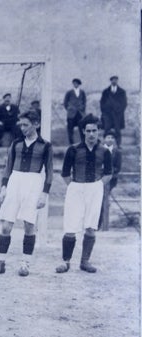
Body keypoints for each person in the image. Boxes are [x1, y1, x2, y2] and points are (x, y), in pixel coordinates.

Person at [0, 111, 53, 277]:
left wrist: (44, 194)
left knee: (29, 225)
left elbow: (50, 172)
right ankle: (0, 262)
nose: (22, 128)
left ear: (36, 124)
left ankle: (25, 263)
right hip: (15, 182)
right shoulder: (16, 144)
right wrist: (4, 188)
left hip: (33, 184)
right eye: (21, 125)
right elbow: (8, 168)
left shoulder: (45, 145)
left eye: (26, 125)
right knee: (6, 225)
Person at [56, 114, 112, 274]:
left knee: (91, 227)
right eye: (88, 131)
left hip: (95, 188)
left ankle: (85, 261)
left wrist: (97, 185)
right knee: (70, 226)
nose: (92, 134)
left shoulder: (104, 151)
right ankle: (65, 261)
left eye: (95, 130)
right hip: (76, 188)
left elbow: (108, 173)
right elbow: (65, 173)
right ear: (83, 131)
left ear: (99, 131)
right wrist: (75, 187)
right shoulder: (73, 150)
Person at [98, 130, 121, 229]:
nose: (110, 139)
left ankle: (101, 224)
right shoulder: (99, 150)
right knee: (99, 200)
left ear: (115, 140)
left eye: (112, 138)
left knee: (103, 200)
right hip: (98, 179)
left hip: (111, 180)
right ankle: (97, 223)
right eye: (108, 137)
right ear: (104, 139)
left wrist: (108, 171)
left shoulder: (117, 152)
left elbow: (117, 167)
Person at [100, 76, 127, 147]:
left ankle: (118, 145)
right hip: (107, 114)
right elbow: (102, 103)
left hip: (117, 115)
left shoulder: (122, 91)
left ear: (117, 81)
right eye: (113, 80)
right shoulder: (106, 91)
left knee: (117, 130)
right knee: (106, 130)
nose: (114, 81)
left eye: (115, 80)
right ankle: (105, 145)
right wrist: (104, 112)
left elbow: (124, 103)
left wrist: (119, 112)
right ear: (110, 81)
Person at [63, 78, 86, 144]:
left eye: (76, 83)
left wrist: (82, 109)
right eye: (74, 83)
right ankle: (71, 144)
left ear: (79, 84)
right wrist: (69, 108)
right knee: (70, 130)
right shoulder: (69, 92)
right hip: (71, 114)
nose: (75, 84)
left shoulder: (82, 92)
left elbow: (84, 102)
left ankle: (83, 143)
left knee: (82, 129)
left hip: (80, 113)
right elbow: (65, 102)